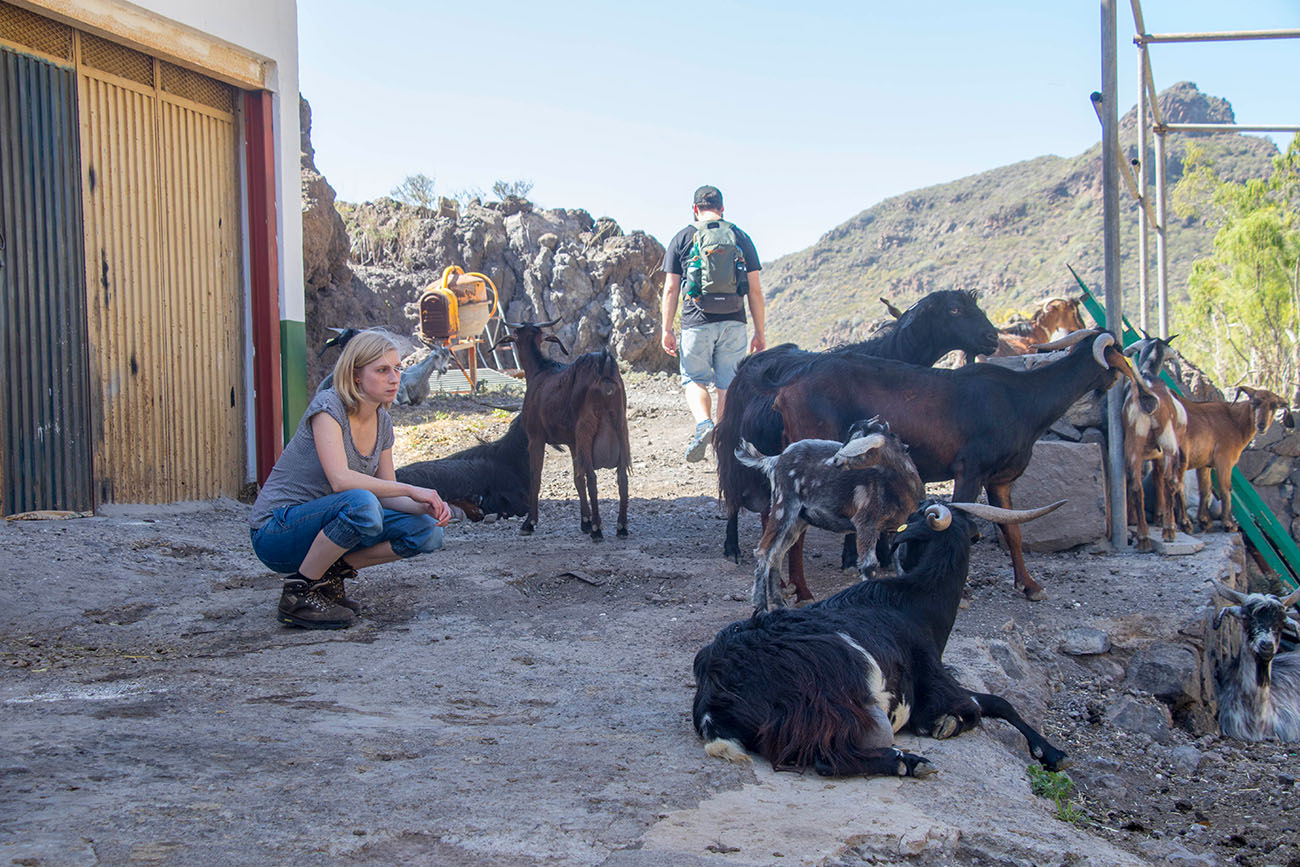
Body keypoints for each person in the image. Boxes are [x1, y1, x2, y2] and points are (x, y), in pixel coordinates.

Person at [249, 330, 452, 629]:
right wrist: (411, 488)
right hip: (277, 533)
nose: (395, 378)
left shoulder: (382, 420)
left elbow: (386, 494)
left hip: (326, 528)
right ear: (355, 375)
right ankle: (298, 595)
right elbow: (341, 481)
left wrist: (427, 506)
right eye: (382, 370)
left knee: (427, 531)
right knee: (362, 503)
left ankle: (328, 578)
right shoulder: (328, 408)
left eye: (397, 368)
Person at [660, 185, 766, 461]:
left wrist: (667, 329)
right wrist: (760, 331)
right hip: (734, 321)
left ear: (695, 209)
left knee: (695, 378)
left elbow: (671, 289)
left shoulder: (683, 237)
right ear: (722, 208)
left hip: (696, 321)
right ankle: (723, 438)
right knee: (727, 382)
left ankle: (703, 424)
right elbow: (754, 289)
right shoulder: (740, 237)